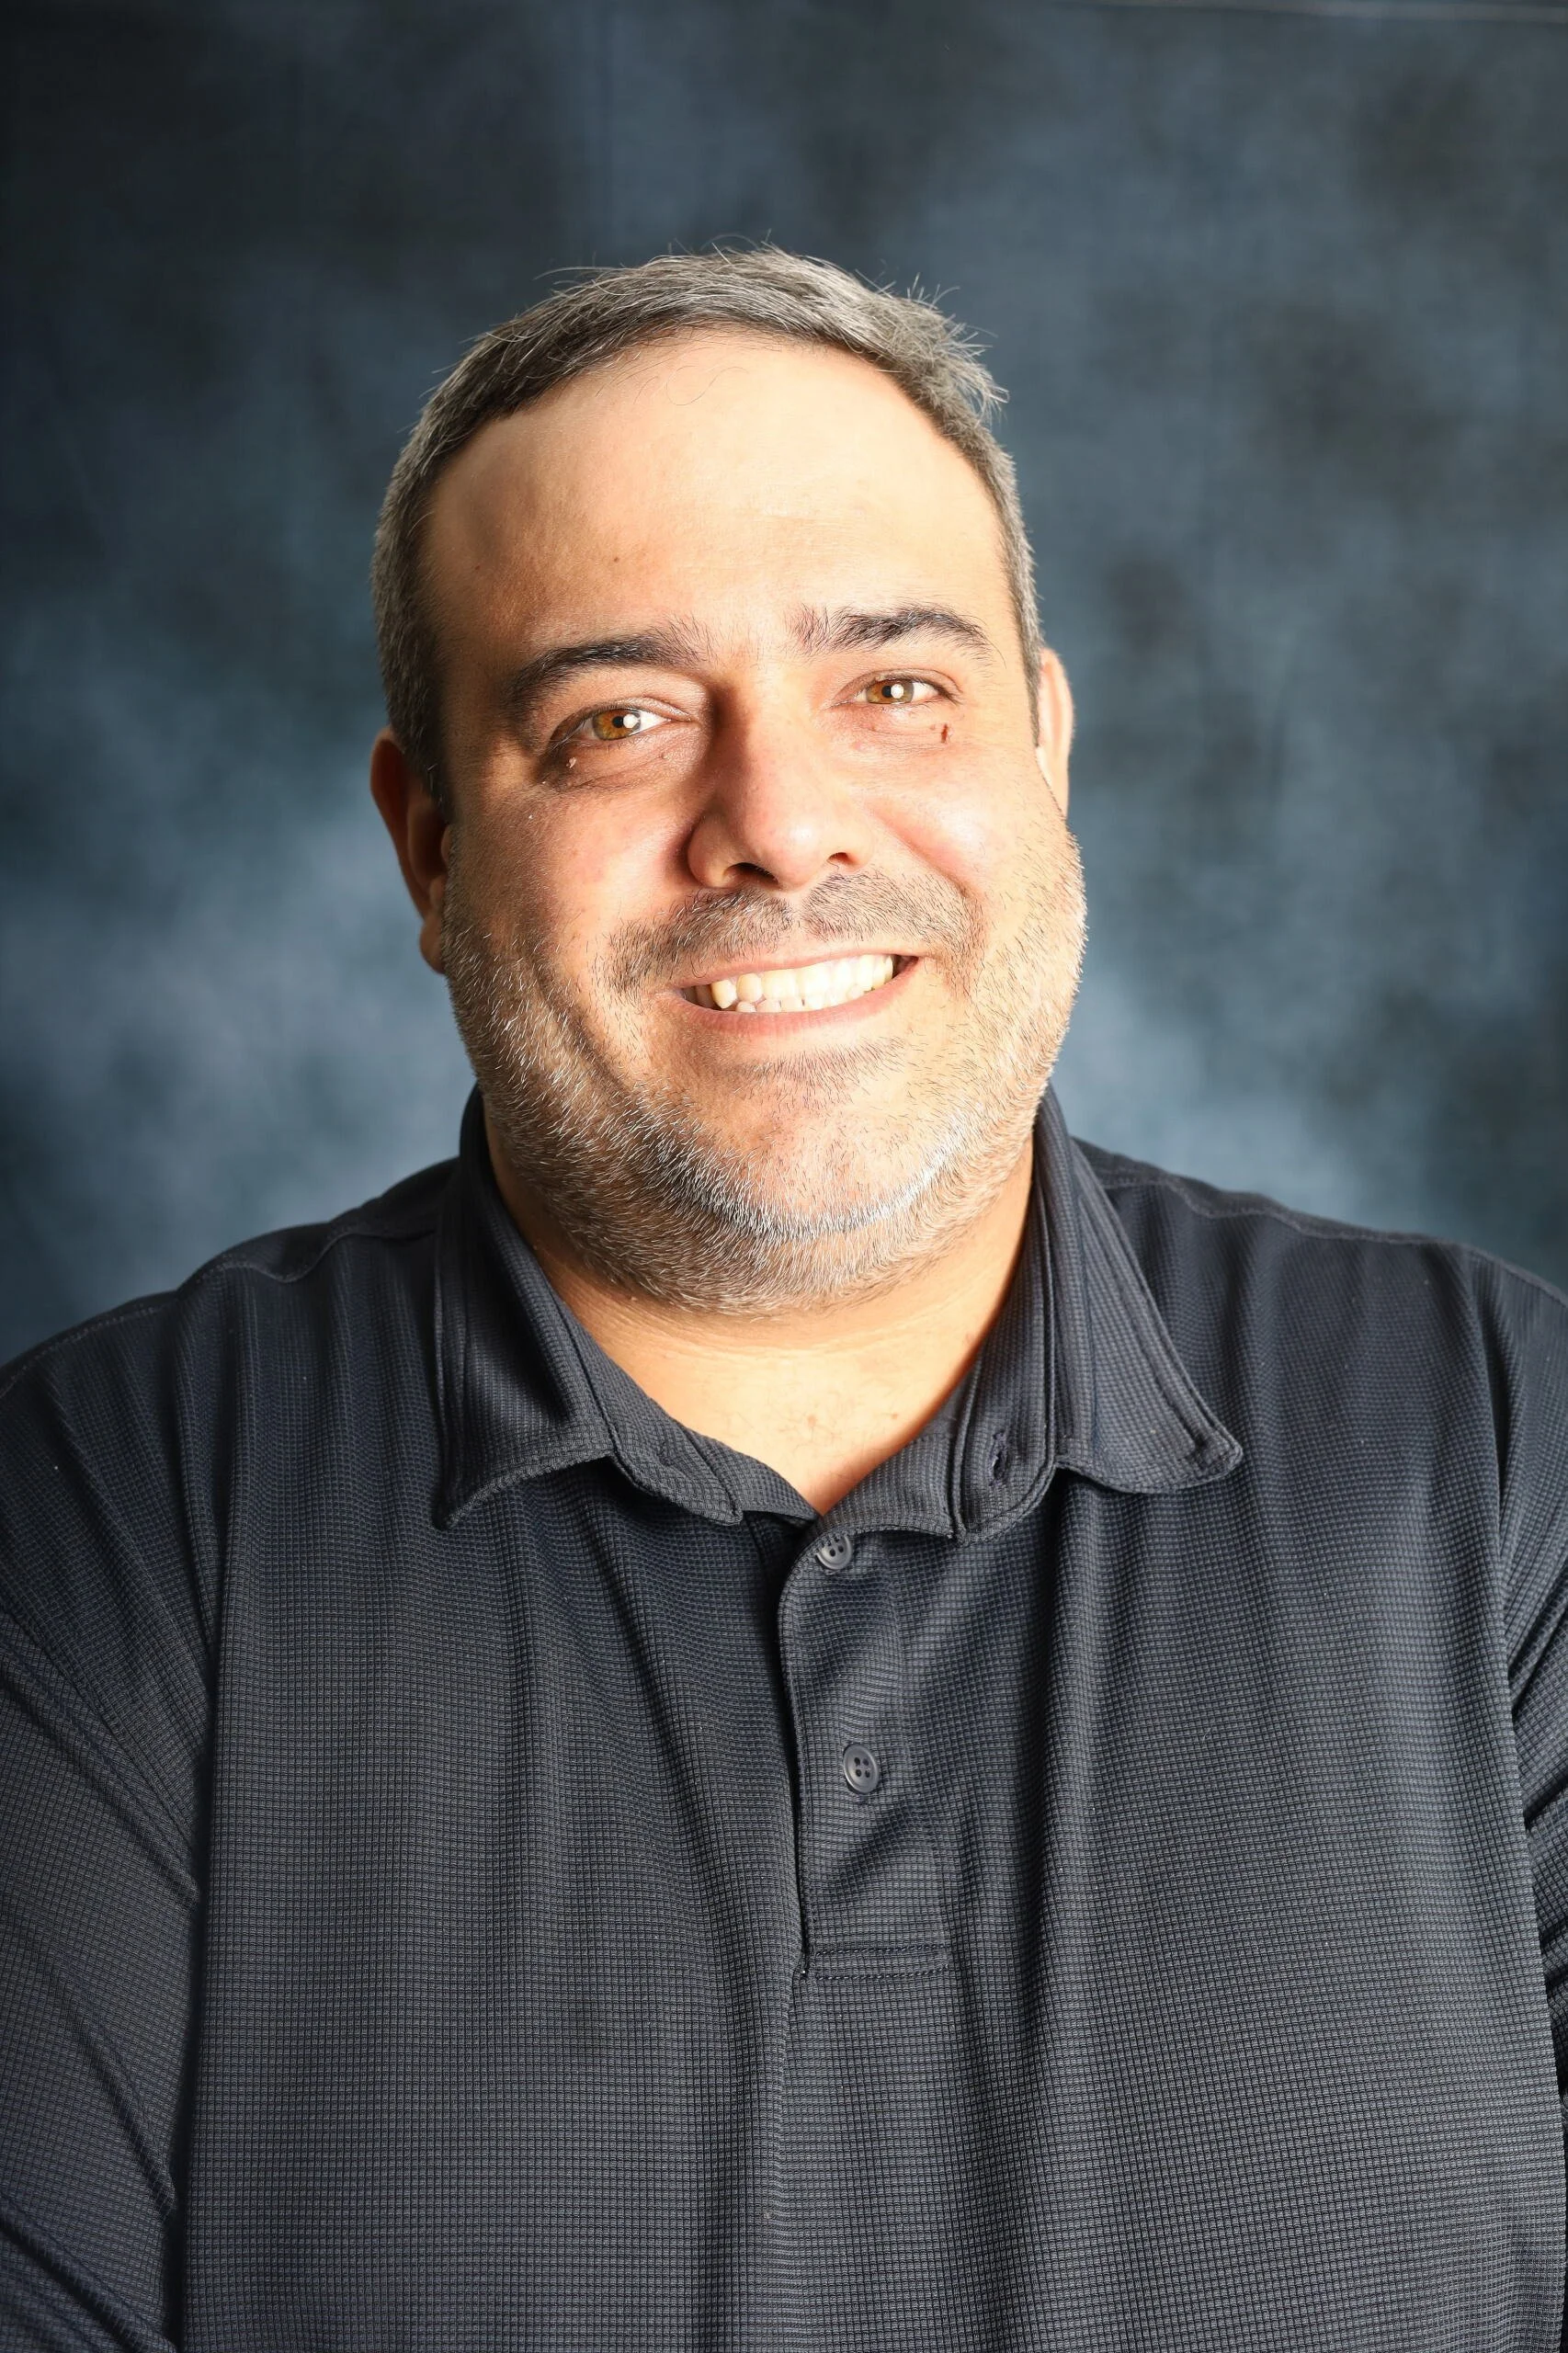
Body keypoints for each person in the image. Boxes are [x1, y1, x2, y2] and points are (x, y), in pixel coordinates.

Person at [2, 246, 1565, 2353]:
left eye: (893, 686)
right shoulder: (95, 1517)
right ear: (430, 849)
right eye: (618, 720)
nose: (779, 823)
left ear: (1045, 744)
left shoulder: (1504, 1451)